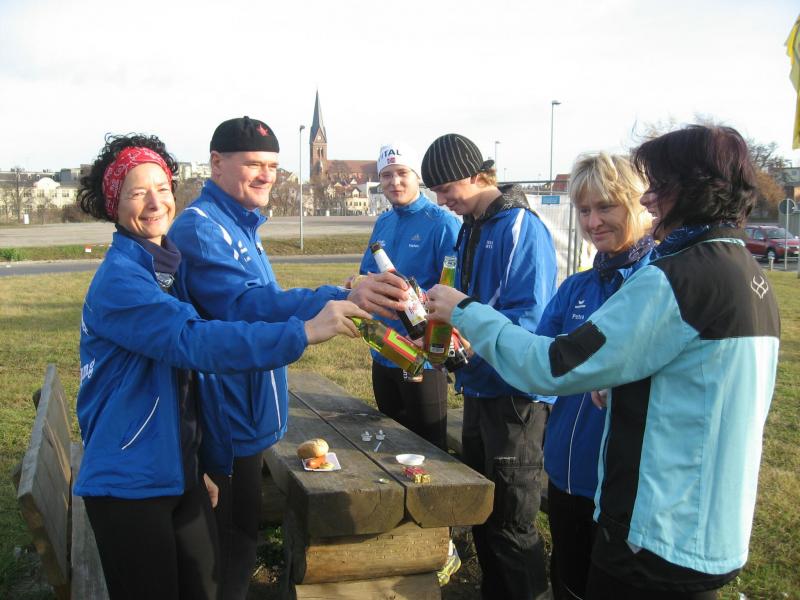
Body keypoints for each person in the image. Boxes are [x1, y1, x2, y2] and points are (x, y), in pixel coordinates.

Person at [426, 125, 780, 600]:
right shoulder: (744, 272)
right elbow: (702, 381)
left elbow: (550, 364)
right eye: (584, 209)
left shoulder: (672, 278)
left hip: (656, 532)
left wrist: (466, 311)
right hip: (707, 527)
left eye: (658, 186)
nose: (649, 198)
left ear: (693, 189)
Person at [74, 134, 369, 600]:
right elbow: (195, 341)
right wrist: (306, 331)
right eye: (137, 193)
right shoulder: (121, 281)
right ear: (114, 204)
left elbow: (187, 385)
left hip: (177, 469)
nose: (155, 203)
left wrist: (203, 462)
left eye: (162, 188)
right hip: (129, 482)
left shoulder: (162, 268)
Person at [168, 116, 408, 599]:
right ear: (216, 163)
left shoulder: (238, 222)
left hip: (247, 415)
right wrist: (337, 295)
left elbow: (260, 301)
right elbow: (245, 307)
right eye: (253, 164)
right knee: (227, 554)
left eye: (273, 166)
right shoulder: (202, 228)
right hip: (225, 421)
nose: (266, 175)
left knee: (242, 540)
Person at [420, 133, 558, 600]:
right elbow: (465, 303)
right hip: (478, 387)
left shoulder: (520, 226)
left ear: (478, 175)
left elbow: (531, 317)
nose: (442, 200)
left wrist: (471, 340)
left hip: (515, 395)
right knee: (483, 511)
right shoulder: (470, 226)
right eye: (435, 192)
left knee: (511, 523)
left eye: (447, 189)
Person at [536, 152, 654, 599]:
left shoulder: (660, 282)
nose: (593, 221)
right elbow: (537, 359)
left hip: (626, 489)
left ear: (638, 203)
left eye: (606, 206)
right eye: (584, 210)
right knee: (568, 580)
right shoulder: (577, 286)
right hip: (566, 472)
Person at [356, 141, 460, 450]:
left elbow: (457, 289)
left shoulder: (443, 223)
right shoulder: (384, 221)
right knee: (391, 443)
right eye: (387, 175)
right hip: (384, 349)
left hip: (422, 357)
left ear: (417, 177)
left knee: (429, 447)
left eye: (402, 173)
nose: (395, 182)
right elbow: (366, 274)